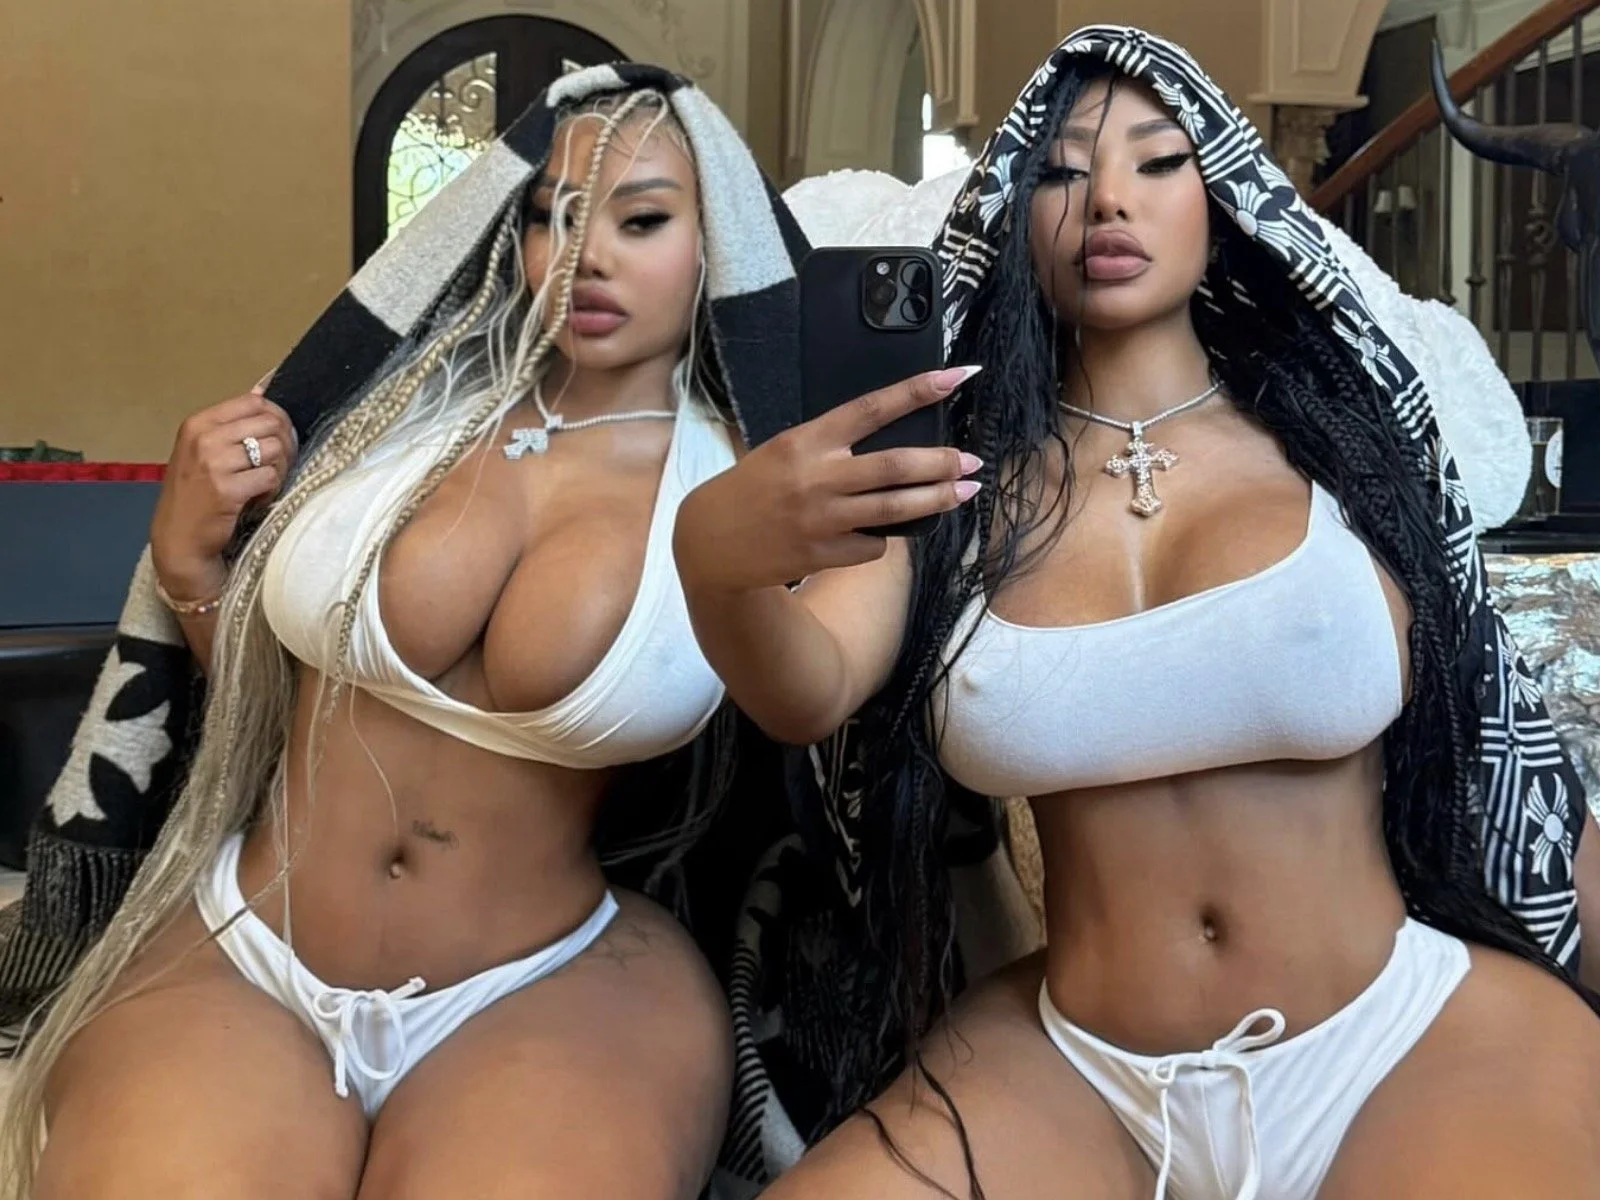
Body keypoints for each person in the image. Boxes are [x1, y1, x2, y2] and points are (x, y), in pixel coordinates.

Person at [674, 26, 1600, 1199]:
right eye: (1061, 171)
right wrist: (712, 562)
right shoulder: (951, 489)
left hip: (1402, 1045)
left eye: (1158, 162)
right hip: (1077, 1071)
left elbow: (1505, 737)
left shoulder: (1345, 448)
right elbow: (804, 692)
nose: (1109, 199)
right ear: (1013, 217)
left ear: (1222, 201)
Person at [2, 65, 809, 1200]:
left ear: (717, 239)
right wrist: (189, 566)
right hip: (251, 947)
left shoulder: (746, 482)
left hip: (547, 984)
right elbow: (268, 713)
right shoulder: (394, 416)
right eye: (552, 217)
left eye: (641, 221)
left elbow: (818, 723)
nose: (587, 256)